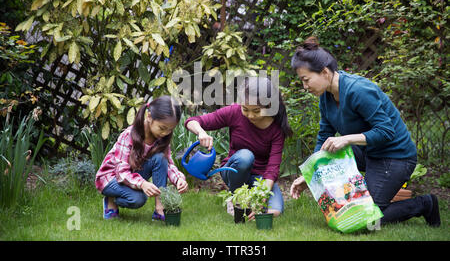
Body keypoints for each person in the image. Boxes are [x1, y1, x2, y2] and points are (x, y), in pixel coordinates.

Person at [289, 37, 440, 227]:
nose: (305, 86)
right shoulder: (325, 97)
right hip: (369, 153)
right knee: (332, 152)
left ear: (325, 72)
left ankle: (425, 204)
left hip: (395, 156)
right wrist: (310, 175)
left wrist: (346, 139)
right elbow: (323, 136)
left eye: (306, 80)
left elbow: (386, 132)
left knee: (368, 221)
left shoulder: (358, 90)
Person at [185, 76, 293, 219]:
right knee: (245, 157)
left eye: (256, 111)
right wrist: (201, 132)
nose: (250, 115)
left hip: (259, 178)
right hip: (234, 170)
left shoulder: (276, 129)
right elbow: (192, 121)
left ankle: (249, 201)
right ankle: (235, 198)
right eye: (245, 109)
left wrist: (261, 199)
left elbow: (272, 168)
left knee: (275, 211)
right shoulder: (234, 112)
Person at [95, 95, 188, 220]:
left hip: (133, 174)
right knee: (138, 199)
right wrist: (142, 184)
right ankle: (111, 199)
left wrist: (178, 180)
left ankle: (160, 210)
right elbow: (121, 172)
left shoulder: (161, 138)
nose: (165, 133)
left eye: (170, 130)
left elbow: (169, 164)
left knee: (161, 158)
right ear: (149, 116)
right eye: (162, 128)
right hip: (110, 178)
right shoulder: (129, 135)